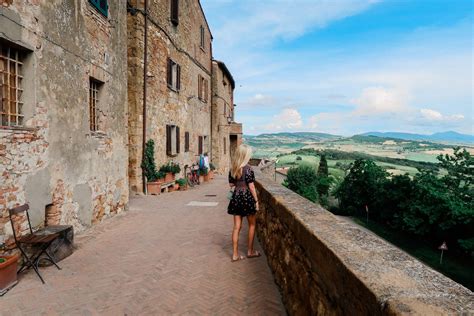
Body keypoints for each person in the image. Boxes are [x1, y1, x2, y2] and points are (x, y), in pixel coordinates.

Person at [228, 144, 261, 262]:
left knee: (237, 227)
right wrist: (256, 201)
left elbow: (231, 184)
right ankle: (250, 251)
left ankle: (235, 255)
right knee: (252, 224)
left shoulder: (233, 168)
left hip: (236, 197)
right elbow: (251, 187)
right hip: (247, 197)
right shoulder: (248, 169)